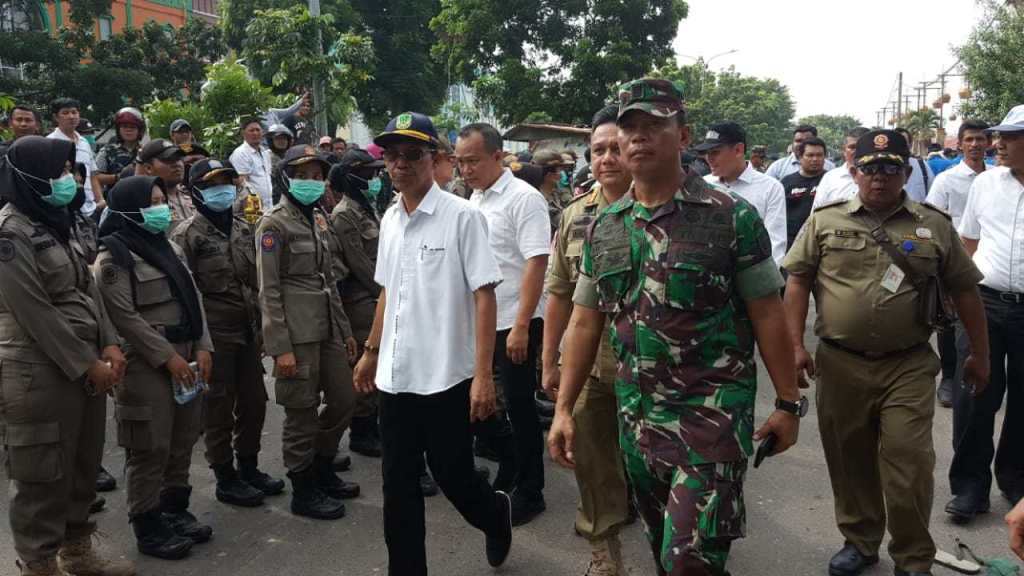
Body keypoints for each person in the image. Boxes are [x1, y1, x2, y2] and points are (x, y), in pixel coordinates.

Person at [549, 78, 801, 576]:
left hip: (712, 418)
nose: (638, 137)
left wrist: (788, 403)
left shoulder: (732, 217)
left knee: (688, 560)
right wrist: (562, 409)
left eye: (653, 125)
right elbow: (583, 321)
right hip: (638, 422)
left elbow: (768, 313)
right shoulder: (606, 225)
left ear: (683, 137)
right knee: (666, 551)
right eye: (630, 128)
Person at [784, 129, 990, 576]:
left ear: (905, 172)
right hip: (839, 363)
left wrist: (979, 353)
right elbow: (798, 279)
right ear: (855, 172)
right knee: (850, 458)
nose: (879, 177)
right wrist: (795, 346)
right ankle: (860, 540)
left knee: (909, 463)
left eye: (890, 168)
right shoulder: (824, 220)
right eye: (870, 168)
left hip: (908, 364)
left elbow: (966, 291)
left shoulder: (932, 224)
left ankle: (913, 557)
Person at [352, 110, 512, 576]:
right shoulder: (389, 220)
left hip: (445, 377)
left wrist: (483, 377)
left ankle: (493, 514)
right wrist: (370, 352)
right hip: (396, 378)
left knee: (455, 478)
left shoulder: (462, 218)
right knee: (397, 488)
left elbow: (485, 297)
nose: (400, 164)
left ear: (436, 159)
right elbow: (388, 290)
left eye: (412, 154)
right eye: (392, 156)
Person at [0, 137, 134, 576]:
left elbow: (87, 288)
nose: (68, 181)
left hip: (85, 365)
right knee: (43, 475)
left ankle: (76, 553)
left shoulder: (58, 221)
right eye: (57, 172)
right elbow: (35, 311)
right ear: (31, 175)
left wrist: (110, 342)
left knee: (82, 464)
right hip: (39, 373)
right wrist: (87, 362)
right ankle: (39, 565)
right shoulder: (10, 233)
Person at [95, 175, 215, 560]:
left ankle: (174, 510)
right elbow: (125, 317)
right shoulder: (113, 257)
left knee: (183, 438)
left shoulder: (169, 247)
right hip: (148, 363)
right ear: (130, 208)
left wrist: (203, 345)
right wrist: (169, 357)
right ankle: (147, 524)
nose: (162, 208)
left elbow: (194, 298)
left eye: (164, 200)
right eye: (153, 202)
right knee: (150, 445)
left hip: (187, 352)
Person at [541, 104, 632, 576]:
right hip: (589, 359)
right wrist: (549, 361)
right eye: (599, 150)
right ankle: (603, 547)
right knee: (590, 456)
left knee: (646, 459)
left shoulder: (662, 209)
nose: (607, 158)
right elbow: (558, 291)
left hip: (651, 363)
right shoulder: (576, 215)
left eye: (617, 148)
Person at [171, 159, 284, 509]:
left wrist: (265, 326)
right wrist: (198, 343)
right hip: (214, 336)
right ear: (195, 192)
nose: (221, 189)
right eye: (212, 184)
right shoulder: (187, 235)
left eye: (226, 182)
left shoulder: (241, 227)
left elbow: (256, 281)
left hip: (247, 330)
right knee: (218, 408)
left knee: (254, 403)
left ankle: (248, 466)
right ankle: (225, 475)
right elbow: (186, 294)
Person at [256, 145, 360, 520]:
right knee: (300, 411)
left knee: (345, 398)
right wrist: (278, 347)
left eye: (318, 177)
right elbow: (267, 290)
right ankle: (303, 487)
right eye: (304, 176)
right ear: (287, 178)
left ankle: (322, 464)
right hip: (296, 335)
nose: (312, 183)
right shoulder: (274, 224)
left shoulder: (315, 218)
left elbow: (327, 279)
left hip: (327, 327)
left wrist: (344, 329)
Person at [458, 121, 551, 526]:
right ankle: (509, 464)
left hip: (517, 318)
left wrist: (521, 326)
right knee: (479, 398)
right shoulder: (474, 200)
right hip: (482, 320)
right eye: (459, 163)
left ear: (498, 156)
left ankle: (531, 489)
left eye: (472, 161)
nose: (465, 170)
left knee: (519, 405)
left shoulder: (523, 199)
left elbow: (536, 262)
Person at [948, 104, 1024, 523]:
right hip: (986, 303)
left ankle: (1017, 483)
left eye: (1011, 137)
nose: (999, 144)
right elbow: (969, 242)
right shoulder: (986, 184)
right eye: (1002, 136)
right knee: (975, 395)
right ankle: (969, 487)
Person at [925, 120, 991, 408]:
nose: (975, 144)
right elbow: (930, 221)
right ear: (960, 144)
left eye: (980, 139)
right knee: (950, 323)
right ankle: (950, 377)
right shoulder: (946, 180)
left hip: (991, 260)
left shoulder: (1000, 178)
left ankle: (981, 369)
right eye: (970, 139)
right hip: (953, 260)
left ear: (988, 142)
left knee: (981, 319)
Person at [326, 148, 386, 459]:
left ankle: (372, 425)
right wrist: (384, 289)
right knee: (366, 364)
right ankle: (362, 432)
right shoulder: (344, 214)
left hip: (376, 294)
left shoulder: (366, 207)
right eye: (367, 174)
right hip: (363, 298)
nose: (374, 179)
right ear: (352, 177)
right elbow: (359, 262)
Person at [700, 121, 788, 268]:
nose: (709, 158)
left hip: (754, 279)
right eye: (707, 153)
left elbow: (776, 242)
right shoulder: (702, 185)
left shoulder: (770, 188)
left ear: (738, 150)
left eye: (715, 152)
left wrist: (765, 285)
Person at [47, 98, 102, 218]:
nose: (71, 116)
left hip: (91, 210)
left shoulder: (84, 142)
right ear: (56, 117)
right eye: (65, 113)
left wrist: (100, 200)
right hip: (66, 210)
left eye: (74, 112)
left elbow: (92, 174)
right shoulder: (50, 142)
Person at [135, 139, 194, 234]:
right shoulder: (145, 203)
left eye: (178, 158)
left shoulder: (192, 195)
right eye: (168, 160)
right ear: (148, 168)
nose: (177, 164)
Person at [780, 136, 828, 249]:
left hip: (822, 241)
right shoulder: (786, 182)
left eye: (819, 155)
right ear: (800, 157)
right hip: (791, 243)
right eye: (810, 155)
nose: (815, 159)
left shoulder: (831, 180)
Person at [814, 127, 870, 209]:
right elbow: (816, 212)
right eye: (852, 147)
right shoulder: (830, 178)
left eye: (863, 146)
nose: (857, 151)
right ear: (844, 150)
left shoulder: (882, 177)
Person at [95, 107, 146, 196]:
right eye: (124, 126)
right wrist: (118, 177)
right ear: (118, 129)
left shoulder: (146, 152)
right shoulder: (106, 151)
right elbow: (95, 177)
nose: (128, 130)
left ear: (140, 130)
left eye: (132, 127)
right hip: (113, 199)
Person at [229, 117, 274, 215]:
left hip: (268, 208)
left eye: (258, 130)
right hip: (252, 210)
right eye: (251, 130)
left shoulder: (265, 153)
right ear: (243, 134)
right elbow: (242, 184)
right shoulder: (240, 153)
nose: (255, 133)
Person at [766, 124, 835, 181]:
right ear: (792, 142)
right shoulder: (777, 167)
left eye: (807, 140)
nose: (802, 144)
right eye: (798, 141)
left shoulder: (830, 168)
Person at [532, 149, 575, 234]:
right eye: (559, 170)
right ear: (549, 174)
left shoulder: (557, 191)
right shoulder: (535, 198)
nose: (562, 173)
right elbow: (563, 221)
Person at [894, 128, 935, 202]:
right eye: (897, 142)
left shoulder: (922, 166)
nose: (900, 146)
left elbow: (932, 193)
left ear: (910, 145)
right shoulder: (883, 168)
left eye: (904, 142)